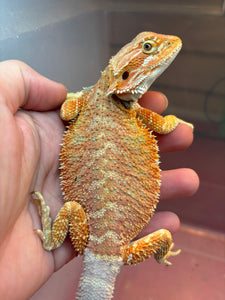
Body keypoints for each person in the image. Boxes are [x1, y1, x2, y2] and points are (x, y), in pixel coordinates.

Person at [0, 60, 199, 299]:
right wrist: (176, 121)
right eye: (147, 49)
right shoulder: (133, 110)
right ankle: (161, 255)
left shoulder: (84, 103)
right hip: (118, 249)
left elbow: (65, 112)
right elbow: (165, 126)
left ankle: (53, 239)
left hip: (93, 240)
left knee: (159, 233)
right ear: (124, 77)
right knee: (164, 235)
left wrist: (77, 96)